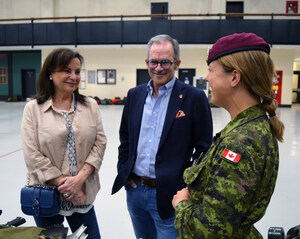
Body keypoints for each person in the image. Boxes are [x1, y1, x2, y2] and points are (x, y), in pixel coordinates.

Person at [172, 32, 285, 238]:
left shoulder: (240, 143)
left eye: (211, 70)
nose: (206, 77)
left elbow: (209, 231)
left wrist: (182, 204)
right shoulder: (251, 126)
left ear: (234, 77)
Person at [111, 34, 213, 239]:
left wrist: (185, 186)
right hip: (136, 191)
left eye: (165, 62)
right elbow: (126, 139)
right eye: (153, 61)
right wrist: (125, 171)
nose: (158, 68)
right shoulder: (135, 95)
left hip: (171, 193)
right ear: (147, 62)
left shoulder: (194, 98)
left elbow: (204, 149)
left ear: (177, 63)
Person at [21, 48, 107, 239]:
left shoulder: (90, 106)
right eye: (67, 70)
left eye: (77, 71)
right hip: (45, 195)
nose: (73, 76)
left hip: (83, 193)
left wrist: (80, 179)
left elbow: (100, 142)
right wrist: (68, 187)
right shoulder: (33, 109)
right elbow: (31, 155)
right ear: (51, 73)